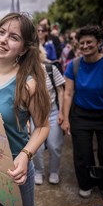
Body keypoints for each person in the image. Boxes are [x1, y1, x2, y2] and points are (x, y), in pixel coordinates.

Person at [0, 12, 51, 206]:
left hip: (15, 170)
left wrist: (25, 155)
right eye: (1, 32)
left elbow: (42, 126)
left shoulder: (28, 83)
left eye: (14, 37)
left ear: (23, 49)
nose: (3, 40)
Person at [62, 25, 103, 199]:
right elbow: (68, 93)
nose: (85, 46)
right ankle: (86, 183)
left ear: (99, 42)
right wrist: (65, 119)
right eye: (82, 43)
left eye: (89, 42)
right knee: (82, 153)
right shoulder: (73, 65)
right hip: (81, 115)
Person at [33, 45, 65, 185]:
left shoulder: (51, 69)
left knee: (54, 145)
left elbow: (61, 90)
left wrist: (62, 112)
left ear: (40, 54)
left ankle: (54, 171)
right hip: (34, 114)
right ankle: (38, 171)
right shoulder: (22, 73)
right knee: (37, 148)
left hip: (52, 112)